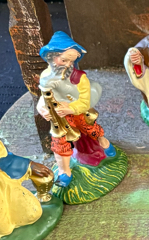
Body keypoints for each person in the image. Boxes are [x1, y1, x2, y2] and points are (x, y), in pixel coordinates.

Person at [37, 32, 116, 187]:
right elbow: (43, 97)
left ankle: (103, 142)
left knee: (90, 129)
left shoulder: (80, 78)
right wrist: (43, 109)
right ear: (51, 57)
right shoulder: (45, 77)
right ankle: (64, 172)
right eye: (64, 60)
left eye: (71, 61)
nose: (67, 65)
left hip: (78, 113)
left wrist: (70, 108)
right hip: (59, 117)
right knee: (59, 143)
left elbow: (85, 102)